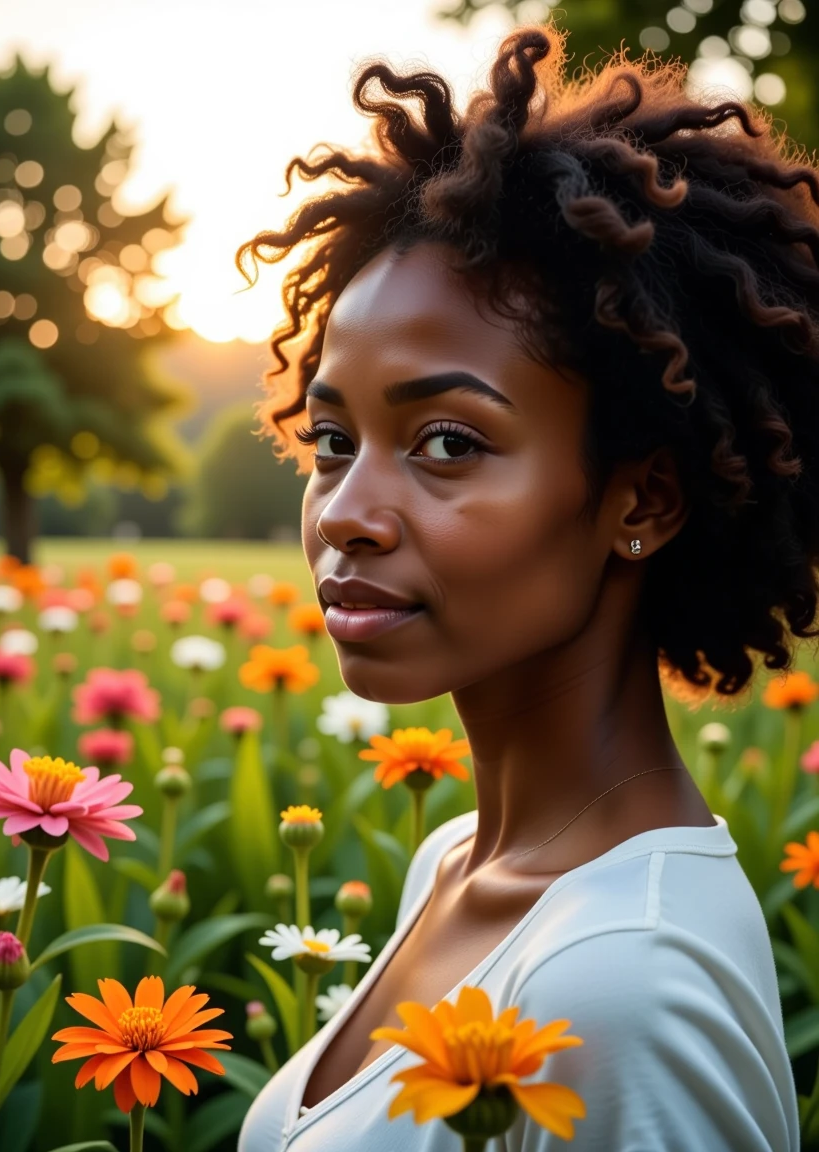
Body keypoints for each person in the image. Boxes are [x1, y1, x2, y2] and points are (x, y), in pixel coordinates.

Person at [235, 19, 810, 1151]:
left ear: (639, 501)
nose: (344, 511)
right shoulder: (455, 859)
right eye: (332, 439)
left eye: (448, 443)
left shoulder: (623, 989)